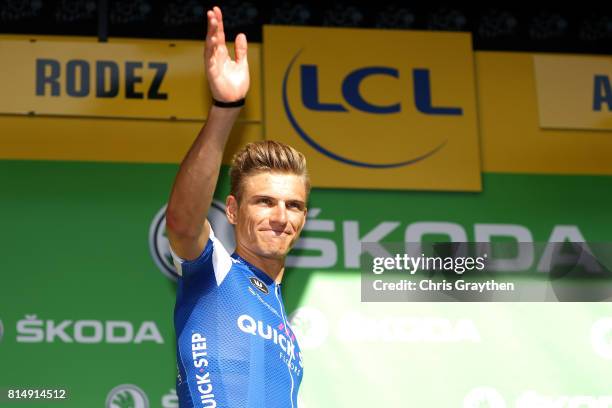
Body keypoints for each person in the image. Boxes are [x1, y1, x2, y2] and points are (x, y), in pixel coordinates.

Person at [165, 6, 309, 408]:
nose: (281, 217)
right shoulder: (215, 271)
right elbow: (180, 223)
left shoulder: (283, 322)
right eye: (264, 202)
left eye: (293, 205)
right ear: (231, 210)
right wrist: (225, 110)